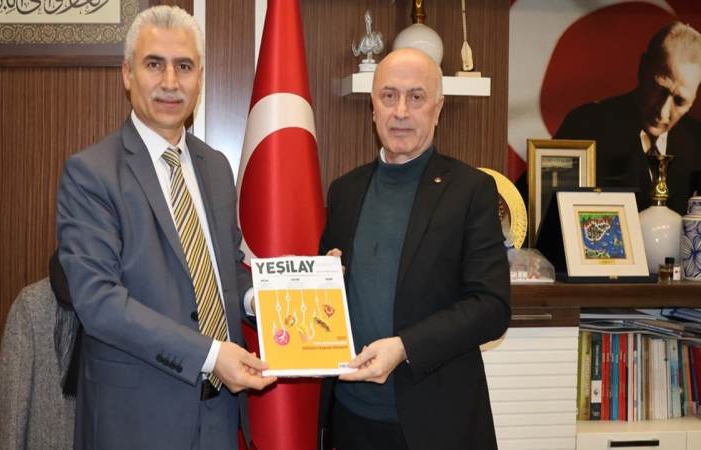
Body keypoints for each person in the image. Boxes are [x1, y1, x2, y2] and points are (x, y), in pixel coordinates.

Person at [55, 6, 275, 450]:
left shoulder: (216, 167)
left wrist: (270, 297)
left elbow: (224, 272)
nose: (171, 82)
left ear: (200, 77)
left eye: (184, 66)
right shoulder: (91, 173)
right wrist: (210, 355)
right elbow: (99, 302)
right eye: (154, 64)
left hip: (219, 416)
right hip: (136, 422)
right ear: (127, 73)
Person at [317, 48, 511, 450]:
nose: (400, 111)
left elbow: (491, 307)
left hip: (436, 424)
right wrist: (326, 281)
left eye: (416, 97)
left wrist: (404, 347)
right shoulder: (344, 191)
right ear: (373, 108)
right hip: (351, 417)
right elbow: (331, 299)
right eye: (388, 96)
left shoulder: (471, 190)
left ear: (438, 109)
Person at [555, 21, 701, 213]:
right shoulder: (584, 126)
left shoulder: (698, 141)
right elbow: (546, 216)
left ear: (694, 98)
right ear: (642, 68)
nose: (663, 112)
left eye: (680, 101)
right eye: (659, 89)